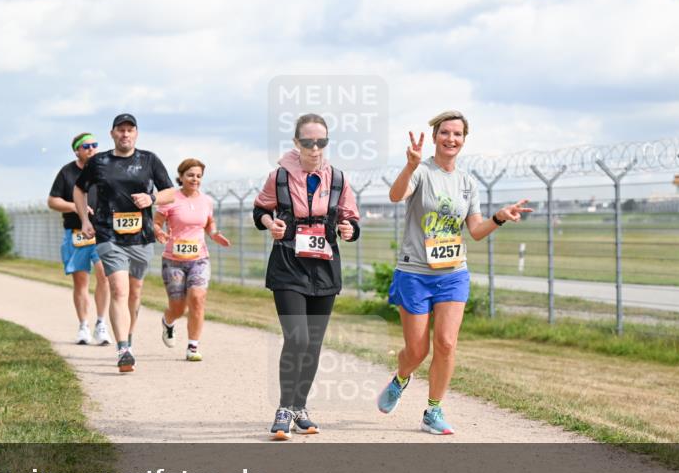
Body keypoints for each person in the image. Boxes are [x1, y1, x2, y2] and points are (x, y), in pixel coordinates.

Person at [377, 110, 532, 435]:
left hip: (452, 273)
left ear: (464, 139)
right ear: (435, 137)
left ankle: (433, 411)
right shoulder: (421, 172)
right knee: (417, 351)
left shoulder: (467, 183)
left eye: (457, 134)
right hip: (415, 272)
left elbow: (475, 230)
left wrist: (499, 217)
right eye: (445, 133)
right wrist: (410, 165)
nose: (451, 139)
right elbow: (395, 196)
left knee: (446, 343)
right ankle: (401, 378)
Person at [253, 113, 360, 440]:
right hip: (288, 264)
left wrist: (349, 229)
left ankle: (300, 407)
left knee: (313, 342)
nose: (316, 149)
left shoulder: (339, 180)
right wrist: (272, 224)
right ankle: (284, 409)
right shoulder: (279, 177)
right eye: (309, 142)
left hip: (324, 266)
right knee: (297, 337)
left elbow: (352, 222)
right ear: (297, 143)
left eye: (322, 142)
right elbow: (260, 211)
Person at [75, 113, 175, 372]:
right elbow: (79, 189)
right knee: (119, 289)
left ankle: (129, 336)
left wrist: (151, 199)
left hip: (141, 236)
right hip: (108, 234)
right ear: (112, 134)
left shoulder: (148, 160)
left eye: (130, 130)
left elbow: (170, 191)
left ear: (136, 134)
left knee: (135, 291)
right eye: (120, 130)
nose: (125, 134)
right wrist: (85, 219)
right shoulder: (99, 161)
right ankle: (123, 349)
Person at [153, 158, 231, 361]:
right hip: (173, 260)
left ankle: (193, 347)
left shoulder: (206, 200)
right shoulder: (170, 199)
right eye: (190, 175)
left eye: (198, 176)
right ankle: (168, 322)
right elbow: (156, 222)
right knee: (178, 307)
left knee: (197, 298)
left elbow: (209, 223)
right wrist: (159, 232)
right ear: (180, 177)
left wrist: (214, 234)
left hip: (199, 259)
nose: (194, 179)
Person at [48, 133, 112, 346]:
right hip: (76, 232)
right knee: (81, 281)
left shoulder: (104, 169)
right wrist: (75, 206)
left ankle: (101, 324)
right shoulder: (67, 172)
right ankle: (83, 325)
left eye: (95, 145)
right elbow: (53, 200)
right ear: (77, 150)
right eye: (86, 146)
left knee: (104, 275)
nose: (92, 149)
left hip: (102, 232)